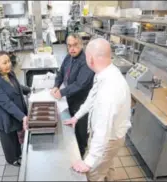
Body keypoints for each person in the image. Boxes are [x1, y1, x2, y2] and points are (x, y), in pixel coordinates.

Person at [65, 38, 131, 181]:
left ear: (91, 59)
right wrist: (77, 116)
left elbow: (103, 128)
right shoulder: (105, 73)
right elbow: (92, 98)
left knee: (94, 175)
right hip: (108, 137)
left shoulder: (110, 87)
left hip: (109, 140)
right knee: (107, 167)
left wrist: (88, 162)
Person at [51, 33, 95, 157]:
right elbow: (60, 73)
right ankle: (73, 150)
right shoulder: (68, 57)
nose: (72, 49)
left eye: (75, 45)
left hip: (81, 102)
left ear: (81, 44)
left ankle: (81, 154)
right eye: (69, 46)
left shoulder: (85, 61)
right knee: (71, 129)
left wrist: (62, 92)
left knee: (81, 131)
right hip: (70, 99)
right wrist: (56, 86)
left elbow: (80, 84)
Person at [0, 51, 30, 167]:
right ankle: (12, 159)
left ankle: (19, 154)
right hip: (6, 115)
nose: (9, 64)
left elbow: (16, 86)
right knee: (9, 138)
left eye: (9, 61)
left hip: (17, 111)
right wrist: (23, 117)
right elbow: (6, 103)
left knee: (16, 135)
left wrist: (29, 90)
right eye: (4, 63)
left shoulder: (10, 73)